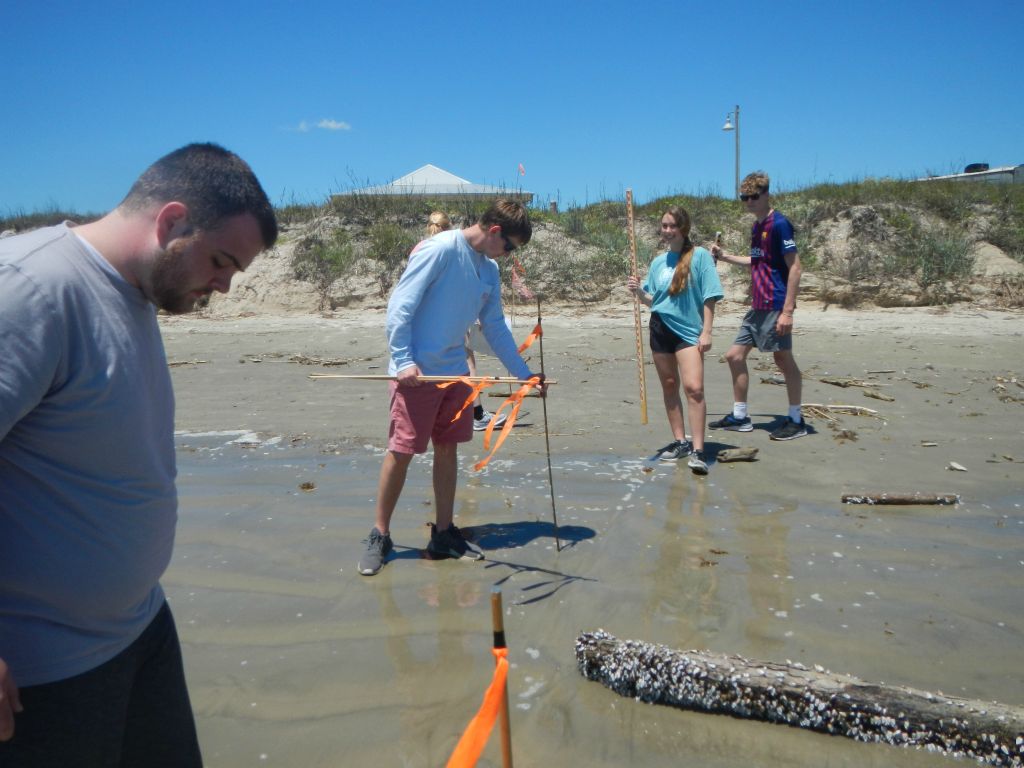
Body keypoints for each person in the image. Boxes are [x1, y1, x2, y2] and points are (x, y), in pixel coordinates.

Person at [0, 143, 278, 765]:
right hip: (46, 671)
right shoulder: (30, 288)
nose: (225, 286)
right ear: (172, 221)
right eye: (221, 261)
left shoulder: (133, 291)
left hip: (141, 627)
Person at [358, 200, 544, 576]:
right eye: (509, 246)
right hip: (417, 373)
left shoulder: (488, 270)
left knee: (448, 449)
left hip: (457, 374)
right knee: (402, 450)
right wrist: (403, 360)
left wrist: (524, 374)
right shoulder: (440, 249)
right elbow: (400, 307)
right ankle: (379, 535)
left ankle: (443, 533)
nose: (509, 255)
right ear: (494, 231)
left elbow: (493, 327)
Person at [709, 171, 807, 440]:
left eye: (754, 196)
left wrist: (788, 312)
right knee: (734, 356)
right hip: (757, 305)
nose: (749, 201)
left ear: (766, 194)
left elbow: (795, 268)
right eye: (744, 197)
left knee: (783, 359)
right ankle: (740, 416)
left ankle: (796, 419)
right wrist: (725, 256)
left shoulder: (779, 224)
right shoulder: (757, 227)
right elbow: (757, 261)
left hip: (776, 303)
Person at [628, 206, 723, 475]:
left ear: (683, 228)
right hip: (660, 328)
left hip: (689, 332)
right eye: (664, 226)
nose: (667, 231)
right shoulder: (658, 263)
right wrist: (638, 292)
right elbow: (654, 301)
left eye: (672, 226)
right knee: (670, 386)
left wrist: (707, 331)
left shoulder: (700, 256)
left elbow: (710, 296)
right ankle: (680, 442)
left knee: (694, 388)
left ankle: (699, 450)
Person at [421, 211, 508, 432]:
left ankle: (475, 412)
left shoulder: (448, 250)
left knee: (466, 362)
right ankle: (477, 413)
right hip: (440, 343)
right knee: (468, 362)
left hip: (455, 328)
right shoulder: (441, 249)